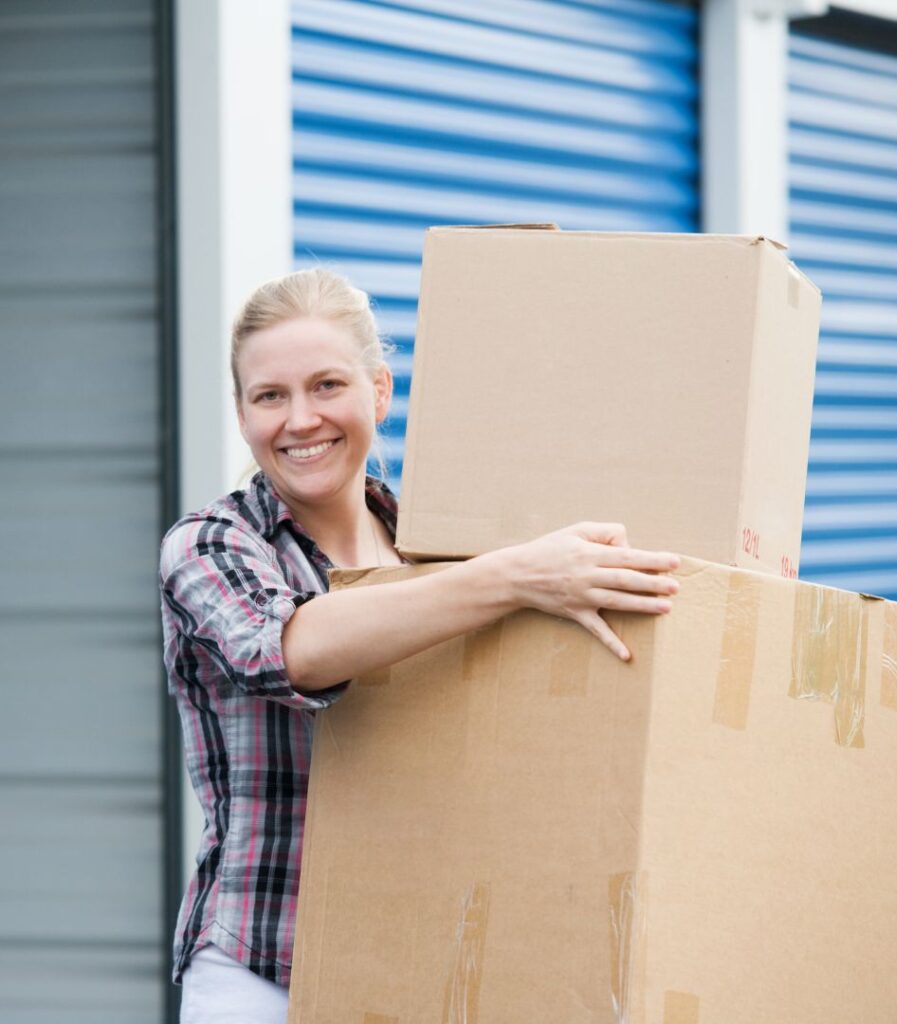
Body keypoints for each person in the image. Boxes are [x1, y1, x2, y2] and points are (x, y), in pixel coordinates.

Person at [160, 268, 681, 1023]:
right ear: (242, 415)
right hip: (265, 972)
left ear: (378, 391)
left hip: (419, 965)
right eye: (270, 396)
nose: (300, 419)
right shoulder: (209, 546)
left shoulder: (435, 551)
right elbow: (290, 649)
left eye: (327, 385)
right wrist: (516, 575)